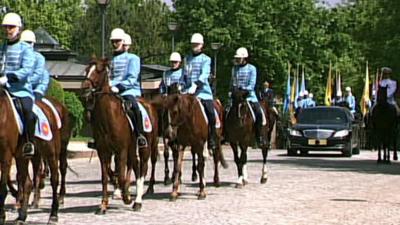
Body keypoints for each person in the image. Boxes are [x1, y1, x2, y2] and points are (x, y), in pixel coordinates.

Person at [0, 13, 36, 156]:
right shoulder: (2, 47)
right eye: (6, 27)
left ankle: (29, 143)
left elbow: (26, 70)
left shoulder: (25, 48)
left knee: (28, 112)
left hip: (20, 90)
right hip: (3, 88)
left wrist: (9, 77)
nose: (8, 30)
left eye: (11, 27)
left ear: (19, 28)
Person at [109, 28, 147, 147]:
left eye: (118, 41)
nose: (115, 44)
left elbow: (132, 78)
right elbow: (109, 76)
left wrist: (119, 87)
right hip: (112, 90)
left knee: (134, 107)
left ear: (123, 41)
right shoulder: (111, 60)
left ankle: (140, 135)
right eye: (113, 41)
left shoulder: (133, 58)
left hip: (128, 90)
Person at [183, 33, 216, 151]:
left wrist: (196, 85)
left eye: (197, 44)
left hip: (203, 92)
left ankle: (211, 137)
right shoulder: (186, 59)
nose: (194, 46)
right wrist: (181, 85)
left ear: (201, 45)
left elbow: (204, 74)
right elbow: (184, 76)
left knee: (211, 113)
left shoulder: (206, 59)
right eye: (193, 44)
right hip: (188, 92)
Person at [230, 47, 266, 147]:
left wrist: (244, 90)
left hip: (249, 96)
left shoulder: (252, 69)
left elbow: (252, 84)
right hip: (237, 96)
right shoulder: (234, 69)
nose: (237, 60)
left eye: (239, 58)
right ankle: (227, 133)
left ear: (244, 58)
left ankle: (259, 136)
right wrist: (234, 90)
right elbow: (233, 82)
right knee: (227, 111)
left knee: (259, 113)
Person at [20, 29, 50, 101]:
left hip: (38, 86)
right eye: (24, 43)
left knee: (34, 103)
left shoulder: (40, 58)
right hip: (22, 86)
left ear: (33, 44)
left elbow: (37, 76)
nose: (26, 45)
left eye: (29, 42)